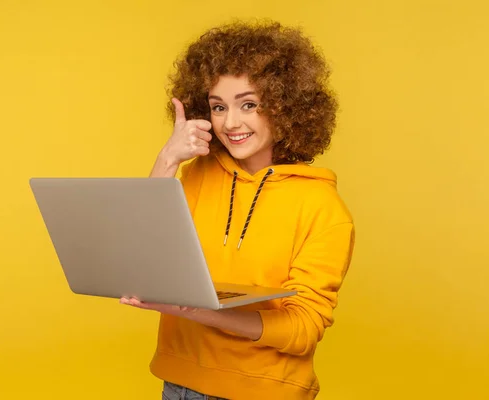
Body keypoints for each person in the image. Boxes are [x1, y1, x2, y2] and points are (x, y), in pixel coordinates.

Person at [120, 20, 355, 400]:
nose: (230, 123)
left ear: (285, 107)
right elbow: (139, 252)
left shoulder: (323, 208)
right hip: (180, 386)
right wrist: (168, 159)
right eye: (218, 107)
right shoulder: (196, 175)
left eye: (249, 104)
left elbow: (303, 329)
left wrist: (196, 311)